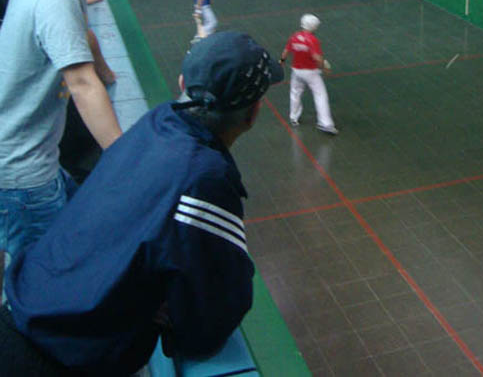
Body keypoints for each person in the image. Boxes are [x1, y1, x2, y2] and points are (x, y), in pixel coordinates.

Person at [1, 31, 282, 375]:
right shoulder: (205, 178)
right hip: (56, 357)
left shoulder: (154, 123)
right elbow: (217, 308)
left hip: (24, 306)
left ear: (182, 82)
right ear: (253, 114)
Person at [0, 0, 122, 292]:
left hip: (27, 157)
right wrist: (126, 156)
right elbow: (83, 84)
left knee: (75, 225)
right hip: (22, 169)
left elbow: (76, 38)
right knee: (40, 280)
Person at [280, 13, 338, 134]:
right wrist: (324, 67)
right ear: (313, 26)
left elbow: (286, 51)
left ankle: (293, 117)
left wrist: (281, 61)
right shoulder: (312, 40)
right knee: (320, 95)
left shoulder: (294, 36)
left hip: (296, 71)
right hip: (311, 73)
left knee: (295, 93)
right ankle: (325, 123)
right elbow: (317, 57)